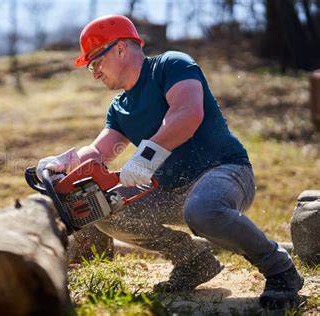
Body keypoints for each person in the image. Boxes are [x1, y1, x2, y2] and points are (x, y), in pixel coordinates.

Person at [37, 15, 303, 309]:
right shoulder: (120, 107)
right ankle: (193, 261)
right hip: (171, 190)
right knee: (106, 209)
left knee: (203, 209)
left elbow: (187, 114)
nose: (95, 73)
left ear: (120, 49)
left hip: (225, 172)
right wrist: (67, 162)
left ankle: (280, 270)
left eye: (95, 62)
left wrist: (147, 156)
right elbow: (100, 152)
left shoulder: (172, 65)